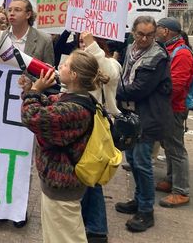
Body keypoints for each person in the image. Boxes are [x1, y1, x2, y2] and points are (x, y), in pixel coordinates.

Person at [21, 50, 108, 243]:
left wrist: (35, 91)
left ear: (75, 75)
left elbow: (32, 116)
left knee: (65, 236)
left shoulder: (74, 108)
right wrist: (31, 90)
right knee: (59, 234)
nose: (60, 66)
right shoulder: (77, 98)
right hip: (62, 184)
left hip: (62, 186)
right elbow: (48, 103)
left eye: (66, 64)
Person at [115, 16, 172, 232]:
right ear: (133, 32)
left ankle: (147, 211)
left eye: (149, 34)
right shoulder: (131, 48)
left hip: (148, 117)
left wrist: (112, 90)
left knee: (142, 164)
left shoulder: (158, 56)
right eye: (140, 34)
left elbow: (140, 88)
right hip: (132, 114)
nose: (145, 38)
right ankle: (138, 201)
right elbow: (125, 76)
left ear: (156, 33)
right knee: (133, 159)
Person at [78, 31, 122, 243]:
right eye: (80, 42)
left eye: (86, 42)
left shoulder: (110, 64)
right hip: (80, 126)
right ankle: (87, 222)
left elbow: (109, 74)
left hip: (98, 128)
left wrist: (92, 46)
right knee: (84, 174)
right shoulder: (75, 63)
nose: (83, 45)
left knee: (92, 176)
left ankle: (96, 228)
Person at [154, 17, 193, 207]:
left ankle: (181, 191)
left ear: (166, 31)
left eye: (158, 28)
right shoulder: (171, 49)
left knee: (176, 149)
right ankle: (171, 180)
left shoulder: (182, 54)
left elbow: (176, 86)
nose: (155, 32)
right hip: (168, 107)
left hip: (174, 108)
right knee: (169, 146)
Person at [0, 0, 54, 65]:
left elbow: (49, 73)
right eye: (9, 10)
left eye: (17, 10)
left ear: (28, 14)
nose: (11, 13)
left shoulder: (44, 39)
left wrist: (29, 77)